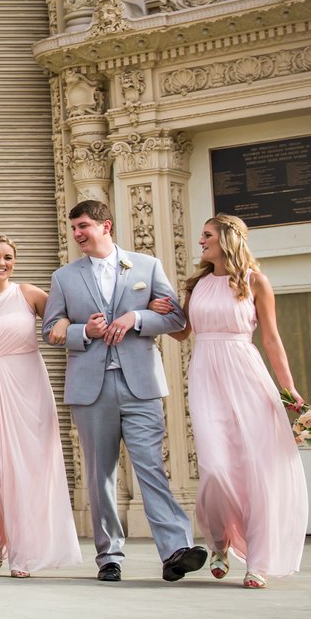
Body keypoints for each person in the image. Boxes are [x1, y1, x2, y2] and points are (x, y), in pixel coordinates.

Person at [44, 199, 204, 583]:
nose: (77, 234)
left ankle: (175, 550)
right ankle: (109, 556)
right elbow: (51, 330)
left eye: (83, 226)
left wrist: (136, 317)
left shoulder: (146, 266)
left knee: (151, 467)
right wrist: (85, 331)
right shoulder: (64, 277)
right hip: (91, 389)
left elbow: (176, 319)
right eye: (74, 228)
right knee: (100, 475)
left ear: (106, 226)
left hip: (141, 384)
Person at [159, 215, 309, 587]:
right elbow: (183, 333)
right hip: (206, 376)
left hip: (247, 375)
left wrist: (288, 388)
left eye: (207, 235)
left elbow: (271, 339)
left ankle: (257, 562)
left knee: (256, 469)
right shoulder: (196, 284)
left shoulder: (255, 282)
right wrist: (159, 313)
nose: (200, 241)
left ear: (228, 239)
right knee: (215, 468)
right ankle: (220, 541)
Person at [0, 235, 81, 578]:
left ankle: (24, 554)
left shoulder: (28, 294)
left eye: (8, 257)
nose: (2, 263)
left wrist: (64, 322)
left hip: (29, 386)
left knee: (29, 469)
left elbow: (64, 316)